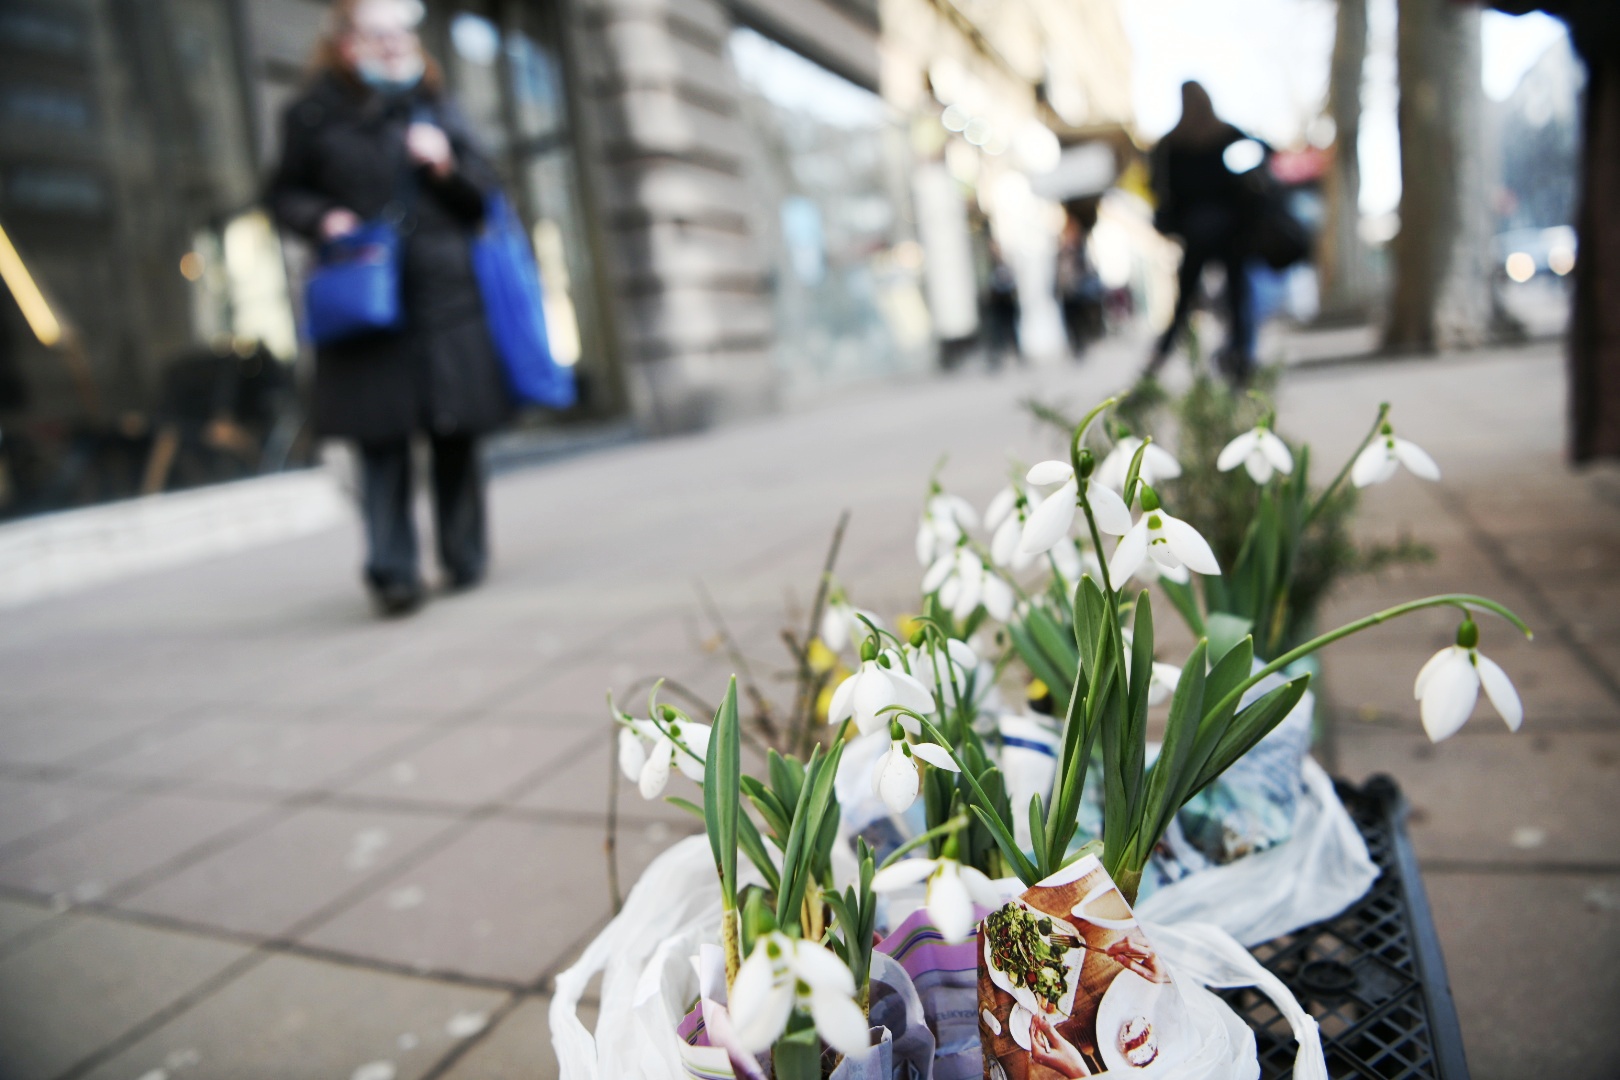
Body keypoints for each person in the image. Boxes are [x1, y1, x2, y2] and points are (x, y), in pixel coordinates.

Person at [268, 0, 512, 616]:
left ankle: (464, 556)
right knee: (381, 441)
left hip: (445, 294)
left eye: (401, 33)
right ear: (347, 45)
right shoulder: (312, 114)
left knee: (455, 430)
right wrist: (323, 217)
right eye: (379, 34)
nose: (394, 44)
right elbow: (281, 194)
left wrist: (446, 166)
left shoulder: (437, 104)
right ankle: (393, 573)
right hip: (368, 295)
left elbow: (484, 198)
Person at [1145, 81, 1260, 381]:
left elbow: (1156, 186)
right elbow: (1262, 156)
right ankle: (1242, 362)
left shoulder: (1171, 143)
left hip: (1198, 233)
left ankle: (1156, 364)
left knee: (1185, 303)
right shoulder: (1225, 134)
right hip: (1230, 232)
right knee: (1237, 300)